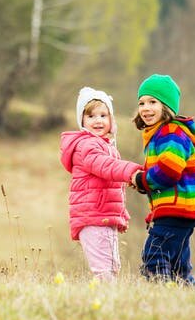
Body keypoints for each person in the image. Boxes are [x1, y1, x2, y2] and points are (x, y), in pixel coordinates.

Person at [130, 74, 195, 285]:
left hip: (174, 210)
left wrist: (142, 181)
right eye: (141, 103)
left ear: (167, 106)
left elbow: (169, 170)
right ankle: (188, 296)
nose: (145, 108)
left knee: (154, 256)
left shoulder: (171, 132)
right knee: (179, 267)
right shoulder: (164, 134)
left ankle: (162, 297)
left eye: (152, 102)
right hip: (182, 211)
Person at [60, 86, 143, 281]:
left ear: (111, 119)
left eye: (103, 115)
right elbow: (105, 166)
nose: (98, 120)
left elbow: (111, 185)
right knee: (104, 271)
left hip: (103, 216)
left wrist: (121, 214)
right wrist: (131, 172)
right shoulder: (86, 146)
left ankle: (109, 302)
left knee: (112, 267)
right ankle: (102, 304)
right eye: (91, 116)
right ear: (82, 120)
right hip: (93, 216)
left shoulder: (106, 145)